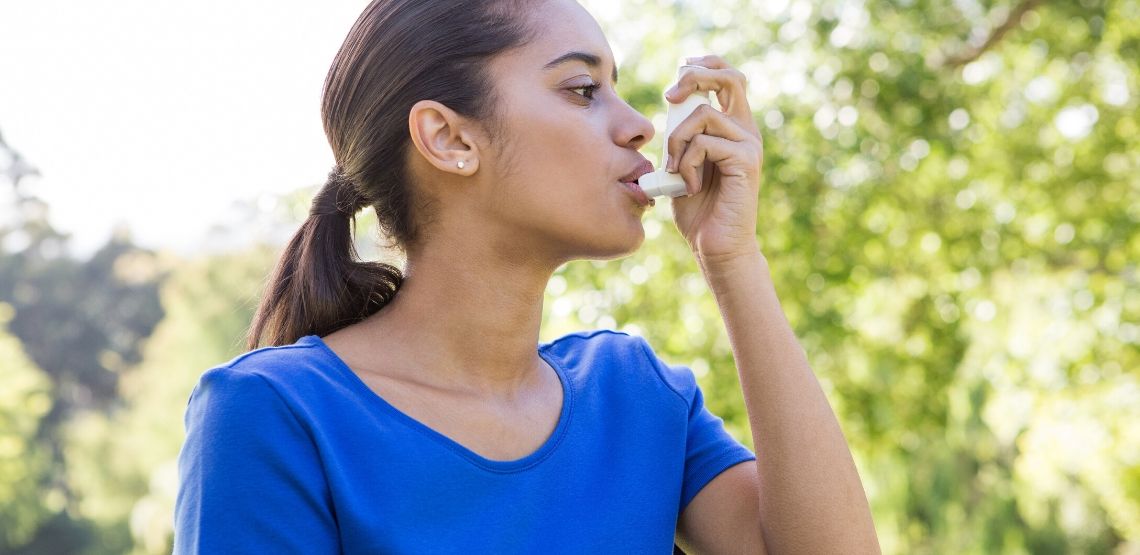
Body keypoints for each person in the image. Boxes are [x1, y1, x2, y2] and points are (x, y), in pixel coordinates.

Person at [173, 0, 880, 552]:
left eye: (618, 88)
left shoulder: (637, 394)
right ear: (450, 138)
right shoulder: (271, 415)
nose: (638, 126)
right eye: (582, 90)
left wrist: (733, 258)